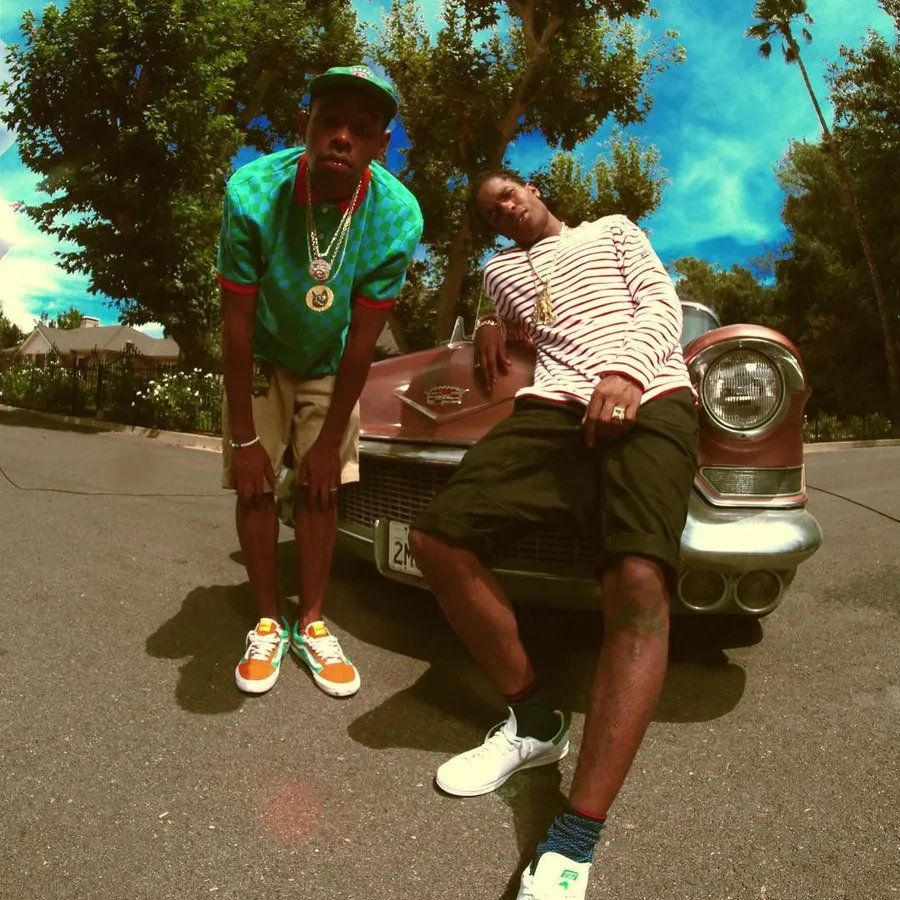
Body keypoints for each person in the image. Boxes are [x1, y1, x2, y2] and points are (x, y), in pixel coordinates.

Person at [408, 170, 698, 899]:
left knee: (638, 579)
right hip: (552, 408)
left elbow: (660, 304)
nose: (503, 211)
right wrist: (484, 324)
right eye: (490, 212)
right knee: (437, 539)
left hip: (651, 391)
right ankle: (536, 721)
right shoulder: (500, 273)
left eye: (508, 195)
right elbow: (502, 316)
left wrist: (626, 373)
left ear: (534, 189)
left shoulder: (613, 229)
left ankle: (577, 832)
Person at [217, 65, 423, 699]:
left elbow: (363, 340)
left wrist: (331, 440)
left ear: (380, 145)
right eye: (329, 121)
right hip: (262, 353)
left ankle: (310, 621)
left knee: (321, 487)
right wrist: (245, 439)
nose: (342, 137)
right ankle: (267, 621)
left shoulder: (396, 216)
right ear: (304, 124)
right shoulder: (253, 192)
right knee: (253, 485)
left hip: (333, 362)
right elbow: (236, 326)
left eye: (361, 129)